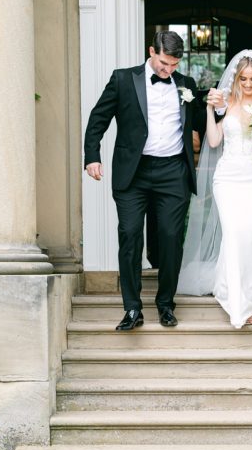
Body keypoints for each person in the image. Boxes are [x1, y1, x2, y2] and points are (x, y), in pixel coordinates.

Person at [84, 30, 206, 331]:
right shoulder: (123, 79)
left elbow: (202, 121)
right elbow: (98, 118)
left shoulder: (186, 85)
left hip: (173, 173)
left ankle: (166, 304)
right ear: (152, 51)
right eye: (164, 63)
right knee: (130, 235)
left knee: (170, 238)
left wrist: (219, 105)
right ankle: (132, 309)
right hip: (133, 174)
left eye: (174, 66)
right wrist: (92, 156)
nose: (169, 70)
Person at [178, 50, 252, 327]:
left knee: (249, 237)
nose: (248, 84)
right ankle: (241, 303)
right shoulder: (225, 103)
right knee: (233, 235)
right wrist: (207, 109)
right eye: (243, 78)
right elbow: (214, 141)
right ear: (237, 78)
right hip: (227, 180)